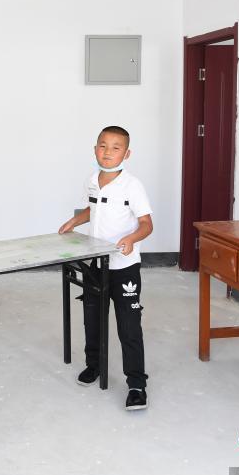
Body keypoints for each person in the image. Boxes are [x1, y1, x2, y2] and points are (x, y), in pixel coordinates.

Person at [58, 125, 153, 410]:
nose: (107, 152)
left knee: (129, 326)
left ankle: (136, 384)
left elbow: (147, 223)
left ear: (127, 153)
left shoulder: (133, 186)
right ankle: (94, 365)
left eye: (115, 147)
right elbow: (95, 208)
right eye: (102, 146)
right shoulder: (91, 181)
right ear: (94, 149)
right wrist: (75, 221)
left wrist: (131, 239)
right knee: (92, 319)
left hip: (124, 267)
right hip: (96, 265)